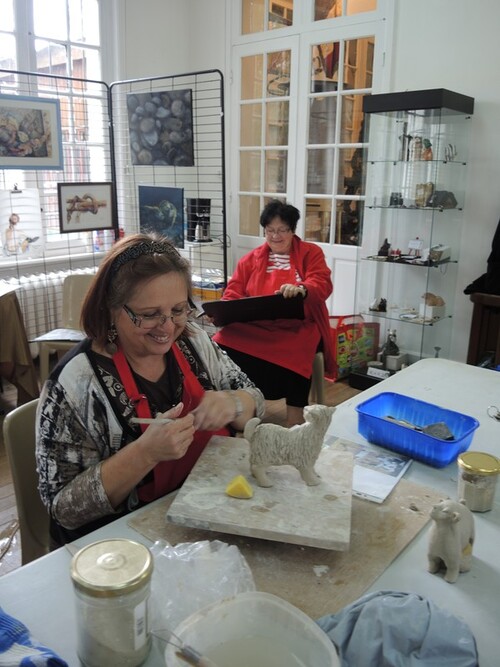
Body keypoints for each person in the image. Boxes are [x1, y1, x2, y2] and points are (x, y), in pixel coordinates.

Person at [36, 233, 265, 546]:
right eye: (149, 315)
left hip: (204, 516)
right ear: (111, 309)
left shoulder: (193, 343)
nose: (168, 327)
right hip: (119, 549)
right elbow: (63, 508)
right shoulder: (77, 384)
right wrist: (145, 453)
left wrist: (234, 403)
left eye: (178, 310)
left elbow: (255, 398)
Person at [213, 200, 335, 427]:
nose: (276, 236)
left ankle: (295, 417)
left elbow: (322, 282)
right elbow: (233, 293)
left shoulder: (310, 253)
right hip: (257, 325)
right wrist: (222, 310)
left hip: (296, 325)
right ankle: (242, 406)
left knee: (301, 345)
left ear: (292, 230)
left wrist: (302, 289)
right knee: (222, 340)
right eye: (270, 231)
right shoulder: (250, 260)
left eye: (282, 230)